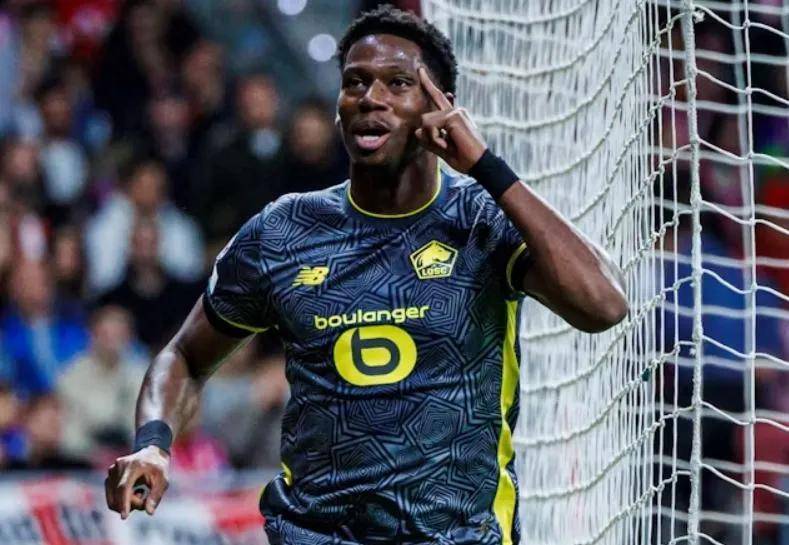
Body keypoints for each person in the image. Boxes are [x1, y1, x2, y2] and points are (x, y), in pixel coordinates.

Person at [105, 7, 628, 544]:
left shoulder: (482, 219)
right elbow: (184, 355)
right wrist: (153, 443)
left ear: (440, 109)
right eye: (355, 82)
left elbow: (604, 304)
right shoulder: (282, 232)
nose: (370, 97)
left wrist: (486, 167)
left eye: (397, 83)